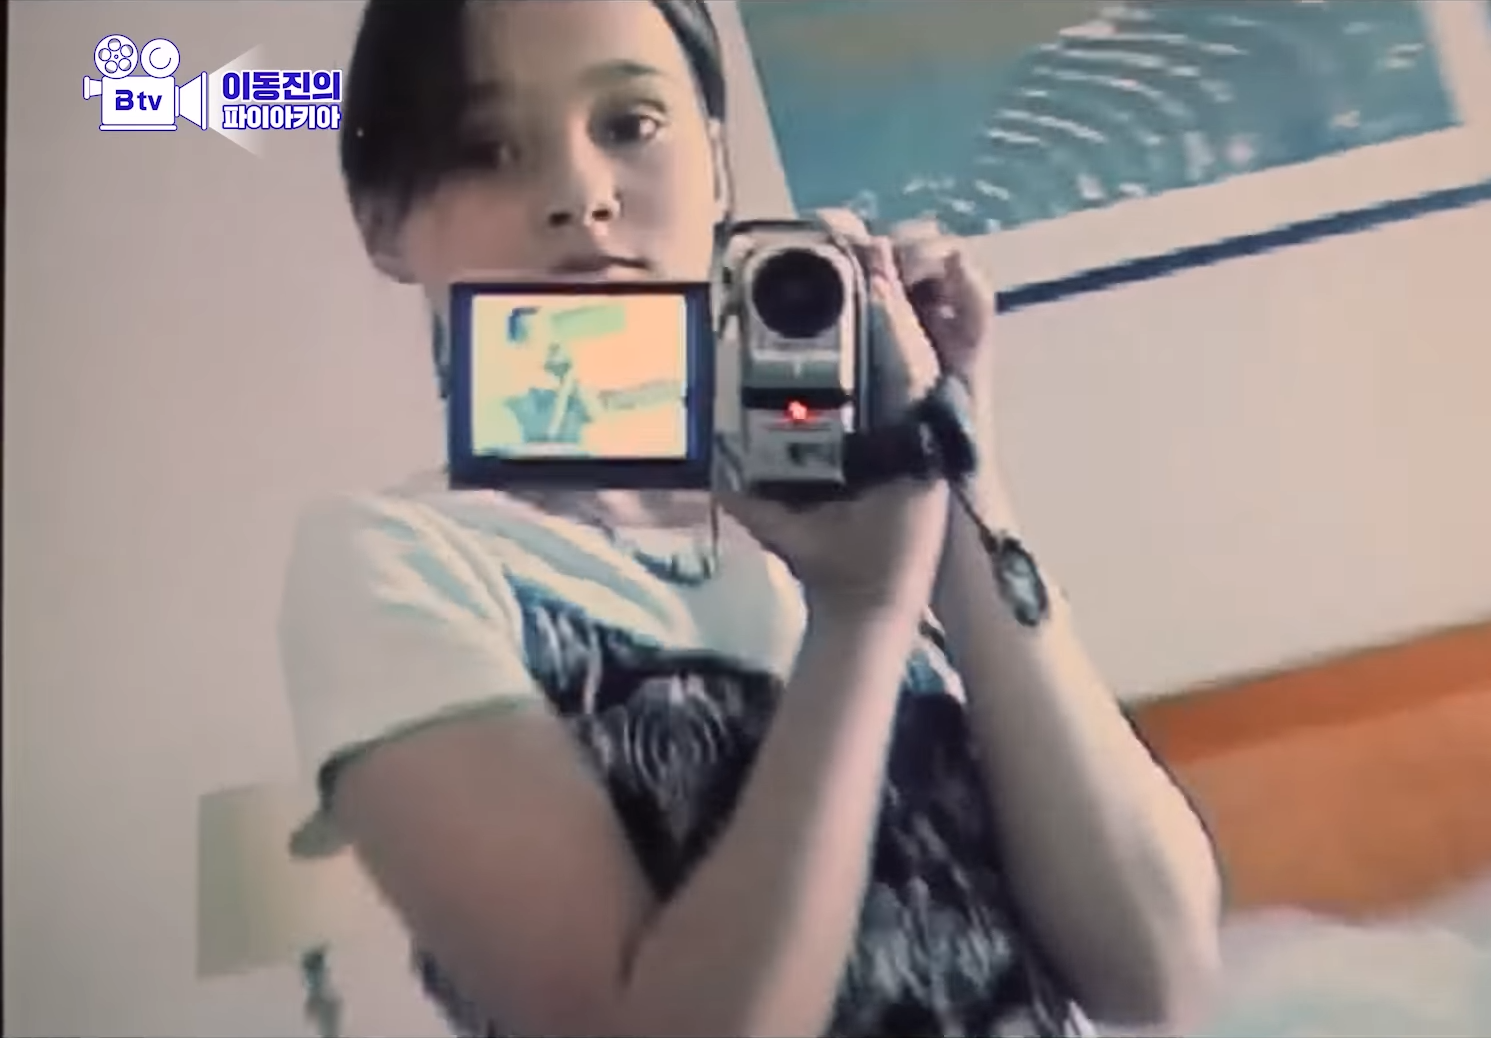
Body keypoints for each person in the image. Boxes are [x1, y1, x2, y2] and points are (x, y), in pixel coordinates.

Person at [282, 2, 1222, 1036]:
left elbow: (1157, 971)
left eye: (631, 125)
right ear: (381, 220)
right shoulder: (400, 565)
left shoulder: (866, 502)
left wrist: (956, 468)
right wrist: (859, 617)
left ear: (717, 166)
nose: (582, 194)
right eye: (486, 147)